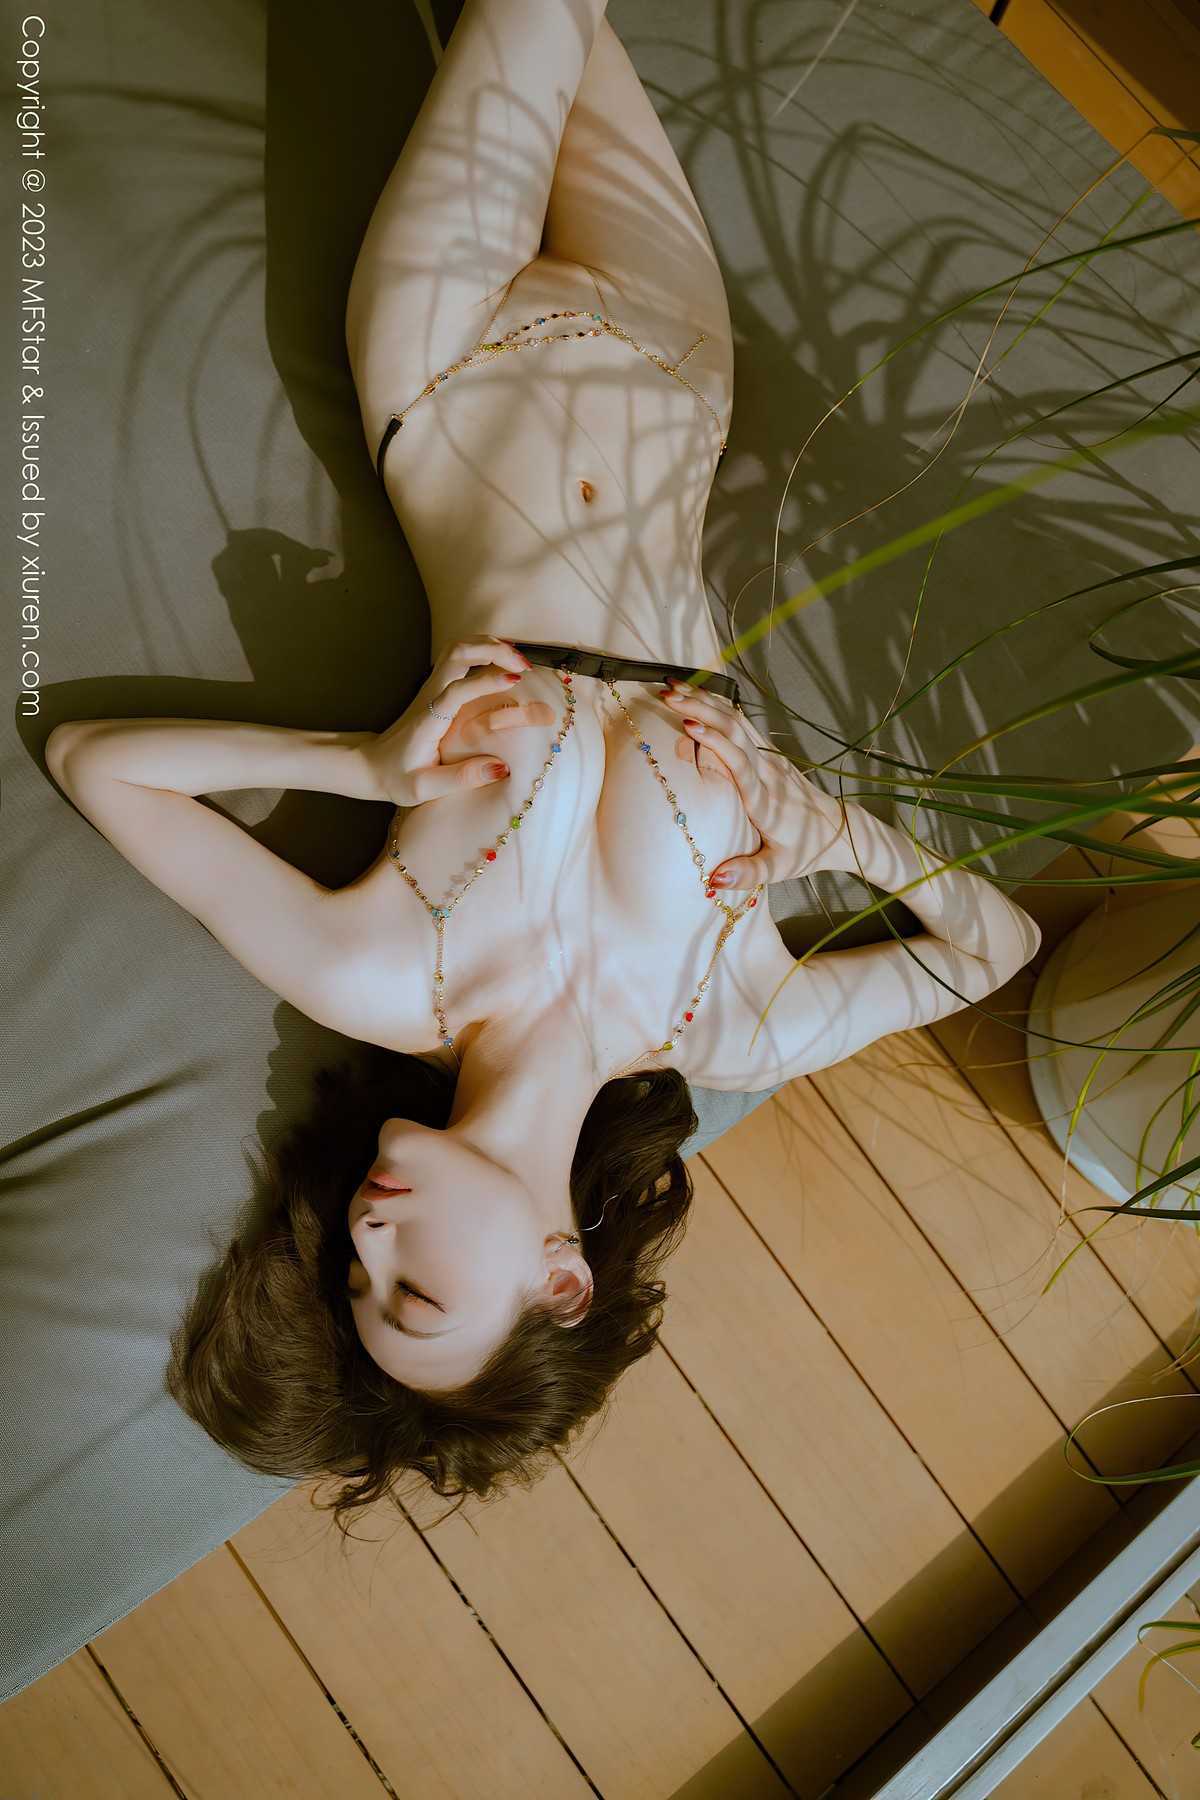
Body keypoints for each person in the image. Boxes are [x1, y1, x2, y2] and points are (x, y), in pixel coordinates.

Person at [45, 0, 1040, 1531]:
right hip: (671, 369)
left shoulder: (380, 974)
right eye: (417, 1292)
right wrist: (833, 829)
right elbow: (994, 948)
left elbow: (97, 763)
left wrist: (376, 768)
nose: (370, 1241)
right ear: (560, 1277)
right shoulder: (731, 1023)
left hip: (447, 360)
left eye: (353, 1276)